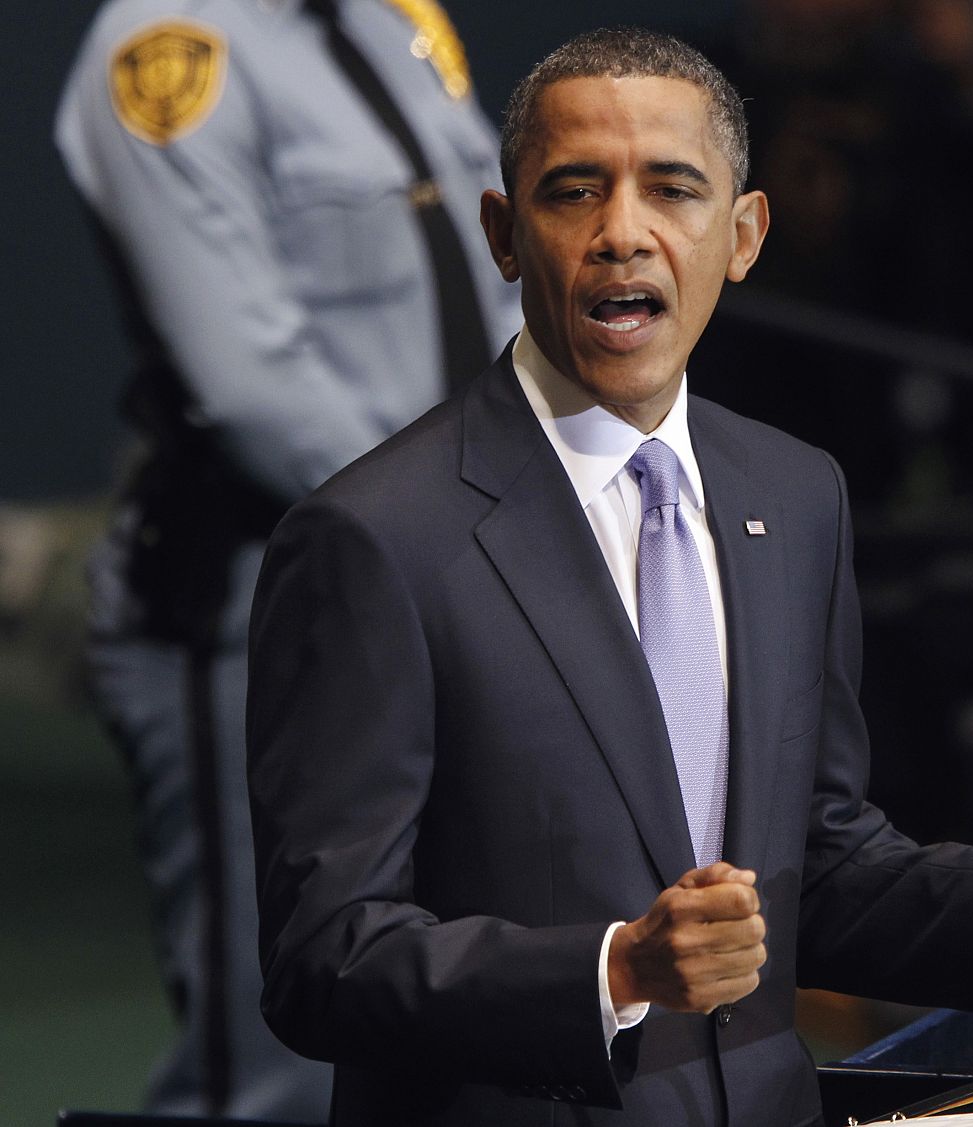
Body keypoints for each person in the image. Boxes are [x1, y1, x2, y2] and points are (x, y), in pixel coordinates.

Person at [246, 27, 973, 1125]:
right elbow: (321, 955)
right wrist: (613, 972)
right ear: (504, 236)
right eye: (573, 192)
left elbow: (819, 867)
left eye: (671, 189)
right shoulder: (373, 537)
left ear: (743, 233)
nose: (623, 233)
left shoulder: (796, 496)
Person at [55, 0, 522, 1118]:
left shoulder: (393, 15)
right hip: (271, 598)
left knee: (453, 1028)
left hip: (458, 581)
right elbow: (252, 381)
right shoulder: (166, 49)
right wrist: (463, 525)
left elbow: (499, 274)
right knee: (276, 1070)